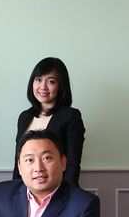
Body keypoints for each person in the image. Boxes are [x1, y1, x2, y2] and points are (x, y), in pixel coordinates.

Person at [12, 57, 85, 187]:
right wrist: (14, 192)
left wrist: (66, 196)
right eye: (38, 80)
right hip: (25, 190)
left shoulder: (71, 117)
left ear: (61, 86)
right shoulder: (24, 117)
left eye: (50, 81)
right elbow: (18, 161)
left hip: (58, 189)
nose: (43, 87)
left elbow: (72, 164)